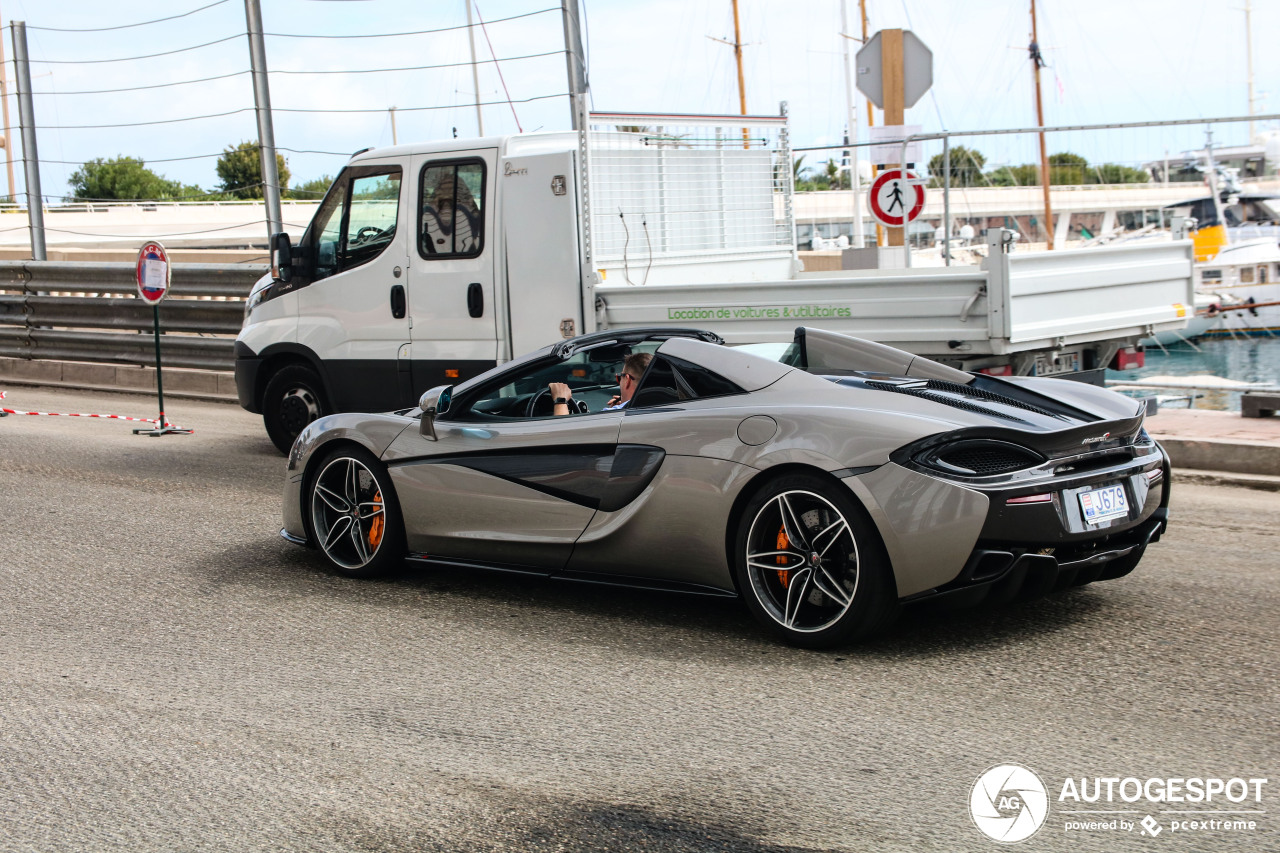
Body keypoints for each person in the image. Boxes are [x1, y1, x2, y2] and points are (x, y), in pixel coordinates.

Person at [549, 352, 651, 416]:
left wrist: (560, 400)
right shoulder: (662, 407)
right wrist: (628, 404)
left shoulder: (614, 415)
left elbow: (566, 437)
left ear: (627, 380)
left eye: (619, 377)